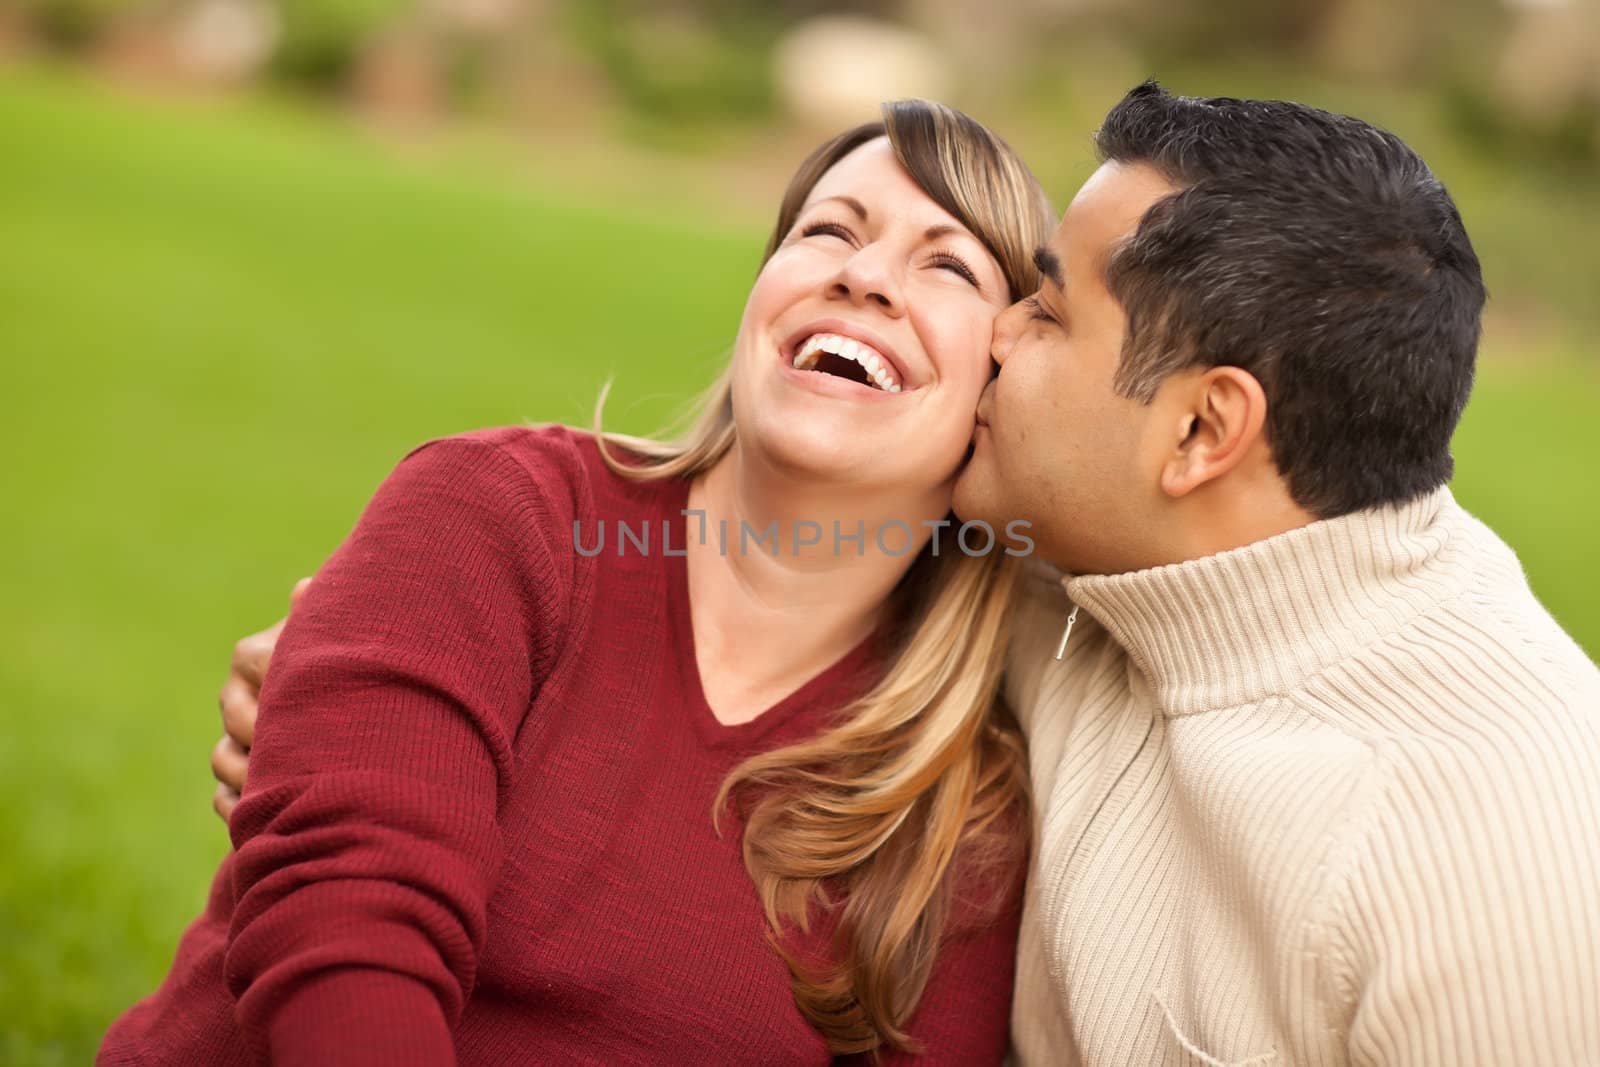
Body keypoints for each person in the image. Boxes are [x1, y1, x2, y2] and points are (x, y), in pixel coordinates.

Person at [100, 99, 1057, 1066]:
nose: (862, 274)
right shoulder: (495, 510)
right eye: (827, 231)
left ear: (1003, 387)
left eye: (946, 264)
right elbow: (344, 931)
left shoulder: (960, 813)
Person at [953, 83, 1600, 1063]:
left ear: (1201, 430)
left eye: (1046, 311)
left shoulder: (1495, 850)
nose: (993, 333)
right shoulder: (1086, 566)